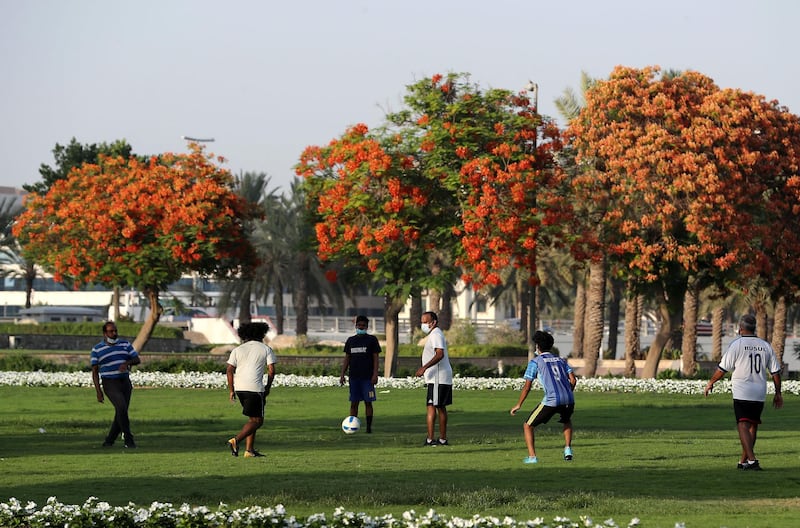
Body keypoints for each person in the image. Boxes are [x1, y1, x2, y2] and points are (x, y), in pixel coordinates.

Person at [704, 313, 783, 470]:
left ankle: (752, 460)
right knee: (753, 425)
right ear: (754, 329)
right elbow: (775, 373)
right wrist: (778, 393)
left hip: (743, 390)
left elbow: (722, 369)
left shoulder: (737, 345)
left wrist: (711, 382)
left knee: (742, 424)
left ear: (740, 329)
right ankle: (743, 462)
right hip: (759, 391)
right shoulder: (765, 345)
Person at [510, 330, 577, 464]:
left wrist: (519, 404)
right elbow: (573, 380)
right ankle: (568, 449)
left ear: (537, 346)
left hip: (552, 400)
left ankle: (532, 457)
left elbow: (527, 386)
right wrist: (568, 392)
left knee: (528, 425)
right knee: (566, 420)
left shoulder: (535, 362)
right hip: (569, 399)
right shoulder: (561, 360)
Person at [226, 321, 276, 458]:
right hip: (255, 388)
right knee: (258, 421)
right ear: (262, 334)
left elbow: (229, 370)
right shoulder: (265, 349)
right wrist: (268, 388)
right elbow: (271, 371)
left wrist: (231, 390)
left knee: (252, 419)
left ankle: (249, 450)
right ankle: (235, 440)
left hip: (240, 388)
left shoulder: (238, 350)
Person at [91, 321, 141, 448]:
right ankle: (129, 439)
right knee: (122, 408)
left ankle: (109, 441)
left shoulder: (125, 344)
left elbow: (137, 359)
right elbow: (95, 372)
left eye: (115, 331)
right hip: (110, 383)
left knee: (121, 411)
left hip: (124, 382)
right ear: (104, 333)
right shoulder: (97, 349)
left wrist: (127, 363)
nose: (114, 334)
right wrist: (98, 391)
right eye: (111, 331)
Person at [415, 311, 453, 446]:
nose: (423, 324)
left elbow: (439, 354)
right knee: (439, 407)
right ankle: (441, 439)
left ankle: (431, 439)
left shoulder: (436, 334)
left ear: (434, 322)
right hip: (438, 377)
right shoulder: (434, 334)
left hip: (438, 377)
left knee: (432, 407)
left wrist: (424, 367)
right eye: (422, 322)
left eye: (426, 322)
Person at [339, 315, 381, 433]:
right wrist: (342, 374)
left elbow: (376, 358)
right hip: (354, 377)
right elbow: (347, 358)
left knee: (368, 402)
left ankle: (368, 427)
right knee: (354, 403)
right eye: (359, 325)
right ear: (356, 326)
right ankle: (353, 425)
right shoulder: (351, 341)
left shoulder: (372, 340)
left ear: (367, 327)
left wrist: (375, 374)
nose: (361, 327)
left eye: (363, 326)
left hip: (367, 378)